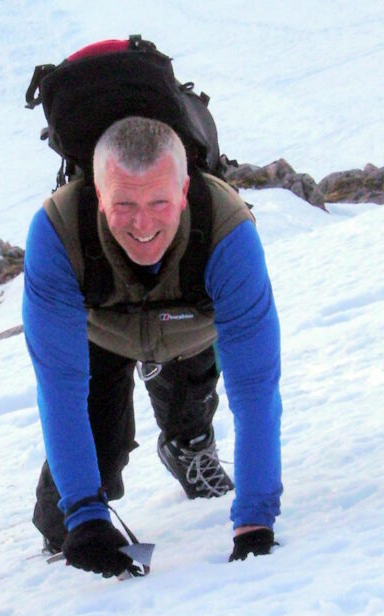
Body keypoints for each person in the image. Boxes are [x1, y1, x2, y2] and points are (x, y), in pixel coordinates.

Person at [22, 116, 283, 578]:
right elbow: (60, 389)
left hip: (190, 327)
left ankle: (187, 443)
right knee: (75, 498)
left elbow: (256, 387)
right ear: (98, 195)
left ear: (184, 191)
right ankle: (61, 522)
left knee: (190, 406)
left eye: (160, 201)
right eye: (123, 202)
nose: (143, 224)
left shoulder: (226, 232)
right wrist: (83, 514)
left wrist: (255, 521)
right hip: (101, 332)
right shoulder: (58, 232)